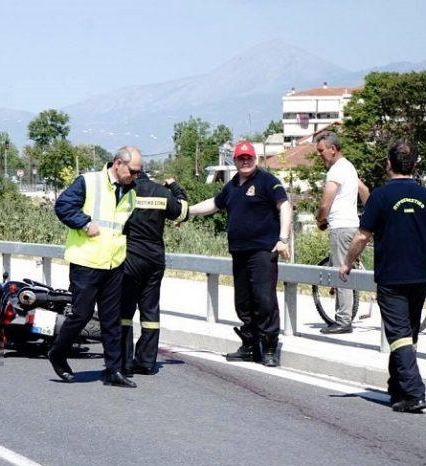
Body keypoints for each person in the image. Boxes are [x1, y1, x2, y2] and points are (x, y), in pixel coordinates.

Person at [338, 141, 426, 413]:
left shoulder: (380, 197)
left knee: (398, 335)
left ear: (389, 164)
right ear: (415, 165)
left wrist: (347, 263)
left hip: (391, 278)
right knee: (408, 335)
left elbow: (362, 236)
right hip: (420, 276)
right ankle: (397, 388)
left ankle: (414, 393)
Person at [187, 140, 292, 367]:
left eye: (249, 158)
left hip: (263, 251)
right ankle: (250, 345)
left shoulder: (267, 181)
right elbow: (213, 204)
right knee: (243, 302)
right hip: (239, 252)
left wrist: (283, 239)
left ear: (255, 159)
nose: (245, 162)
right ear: (234, 160)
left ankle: (270, 347)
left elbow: (284, 206)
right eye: (240, 158)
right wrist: (186, 212)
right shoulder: (232, 185)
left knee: (264, 300)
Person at [50, 146, 142, 387]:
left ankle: (113, 370)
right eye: (132, 171)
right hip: (86, 261)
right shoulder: (89, 182)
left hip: (114, 263)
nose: (135, 176)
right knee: (81, 314)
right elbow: (63, 207)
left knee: (112, 319)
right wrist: (84, 223)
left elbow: (123, 226)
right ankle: (57, 353)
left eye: (138, 173)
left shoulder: (131, 192)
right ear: (118, 163)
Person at [119, 172, 189, 376]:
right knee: (150, 311)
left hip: (129, 257)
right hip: (154, 260)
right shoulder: (161, 192)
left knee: (124, 311)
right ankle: (147, 362)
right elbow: (183, 211)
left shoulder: (125, 190)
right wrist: (174, 186)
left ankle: (124, 361)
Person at [314, 130, 369, 334]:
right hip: (352, 225)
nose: (320, 155)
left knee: (340, 271)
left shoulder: (336, 170)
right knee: (348, 268)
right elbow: (365, 192)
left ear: (333, 149)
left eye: (322, 151)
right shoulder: (349, 167)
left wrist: (320, 220)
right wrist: (370, 217)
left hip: (340, 227)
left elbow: (325, 202)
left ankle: (343, 320)